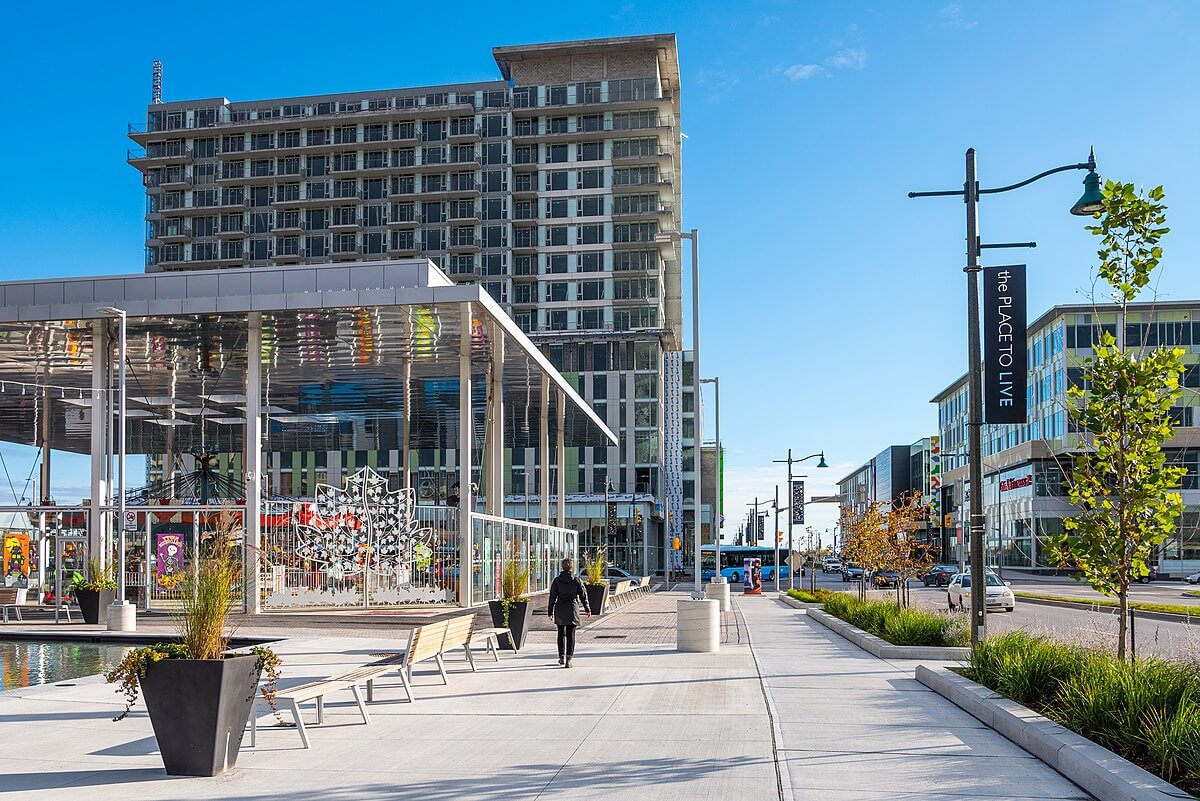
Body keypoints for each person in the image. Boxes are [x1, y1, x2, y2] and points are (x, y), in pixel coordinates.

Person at [548, 557, 590, 667]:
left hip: (560, 608)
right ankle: (569, 659)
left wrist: (550, 611)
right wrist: (587, 608)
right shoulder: (576, 580)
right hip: (572, 608)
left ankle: (561, 656)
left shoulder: (557, 580)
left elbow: (552, 597)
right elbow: (583, 595)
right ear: (572, 567)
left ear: (562, 567)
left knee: (560, 633)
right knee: (571, 635)